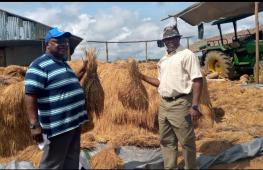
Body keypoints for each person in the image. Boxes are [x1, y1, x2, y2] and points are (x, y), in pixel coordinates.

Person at [139, 25, 203, 169]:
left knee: (186, 141)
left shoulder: (187, 54)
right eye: (167, 39)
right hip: (164, 104)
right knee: (166, 140)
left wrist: (194, 106)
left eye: (173, 38)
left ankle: (190, 167)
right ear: (164, 41)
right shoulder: (163, 60)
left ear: (179, 38)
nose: (170, 41)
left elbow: (197, 80)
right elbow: (160, 83)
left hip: (181, 103)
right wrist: (141, 76)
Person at [24, 27, 88, 169]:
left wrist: (82, 73)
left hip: (73, 122)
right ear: (47, 44)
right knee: (53, 164)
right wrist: (34, 125)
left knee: (71, 160)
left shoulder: (63, 63)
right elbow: (30, 95)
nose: (64, 44)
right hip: (58, 127)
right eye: (58, 41)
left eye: (65, 41)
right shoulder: (39, 65)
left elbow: (66, 84)